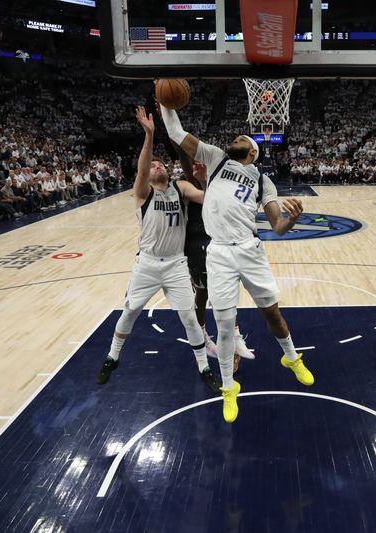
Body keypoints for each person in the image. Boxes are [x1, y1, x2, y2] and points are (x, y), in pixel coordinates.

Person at [160, 102, 314, 423]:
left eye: (244, 137)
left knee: (271, 311)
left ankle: (291, 358)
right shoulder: (215, 158)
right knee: (225, 324)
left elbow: (277, 226)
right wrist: (165, 103)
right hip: (218, 253)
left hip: (249, 249)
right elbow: (175, 132)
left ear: (253, 152)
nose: (237, 137)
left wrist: (292, 220)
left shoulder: (262, 181)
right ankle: (230, 389)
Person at [97, 106, 220, 393]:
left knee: (189, 317)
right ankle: (112, 357)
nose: (158, 166)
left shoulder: (181, 188)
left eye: (161, 164)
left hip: (176, 265)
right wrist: (149, 135)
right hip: (148, 264)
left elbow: (211, 198)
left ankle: (203, 366)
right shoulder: (143, 194)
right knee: (130, 311)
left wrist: (203, 178)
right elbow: (142, 168)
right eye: (153, 165)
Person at [172, 143, 255, 372]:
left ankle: (221, 336)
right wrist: (173, 130)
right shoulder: (193, 182)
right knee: (209, 292)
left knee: (216, 291)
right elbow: (186, 162)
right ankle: (219, 338)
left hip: (218, 241)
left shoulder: (221, 182)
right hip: (198, 241)